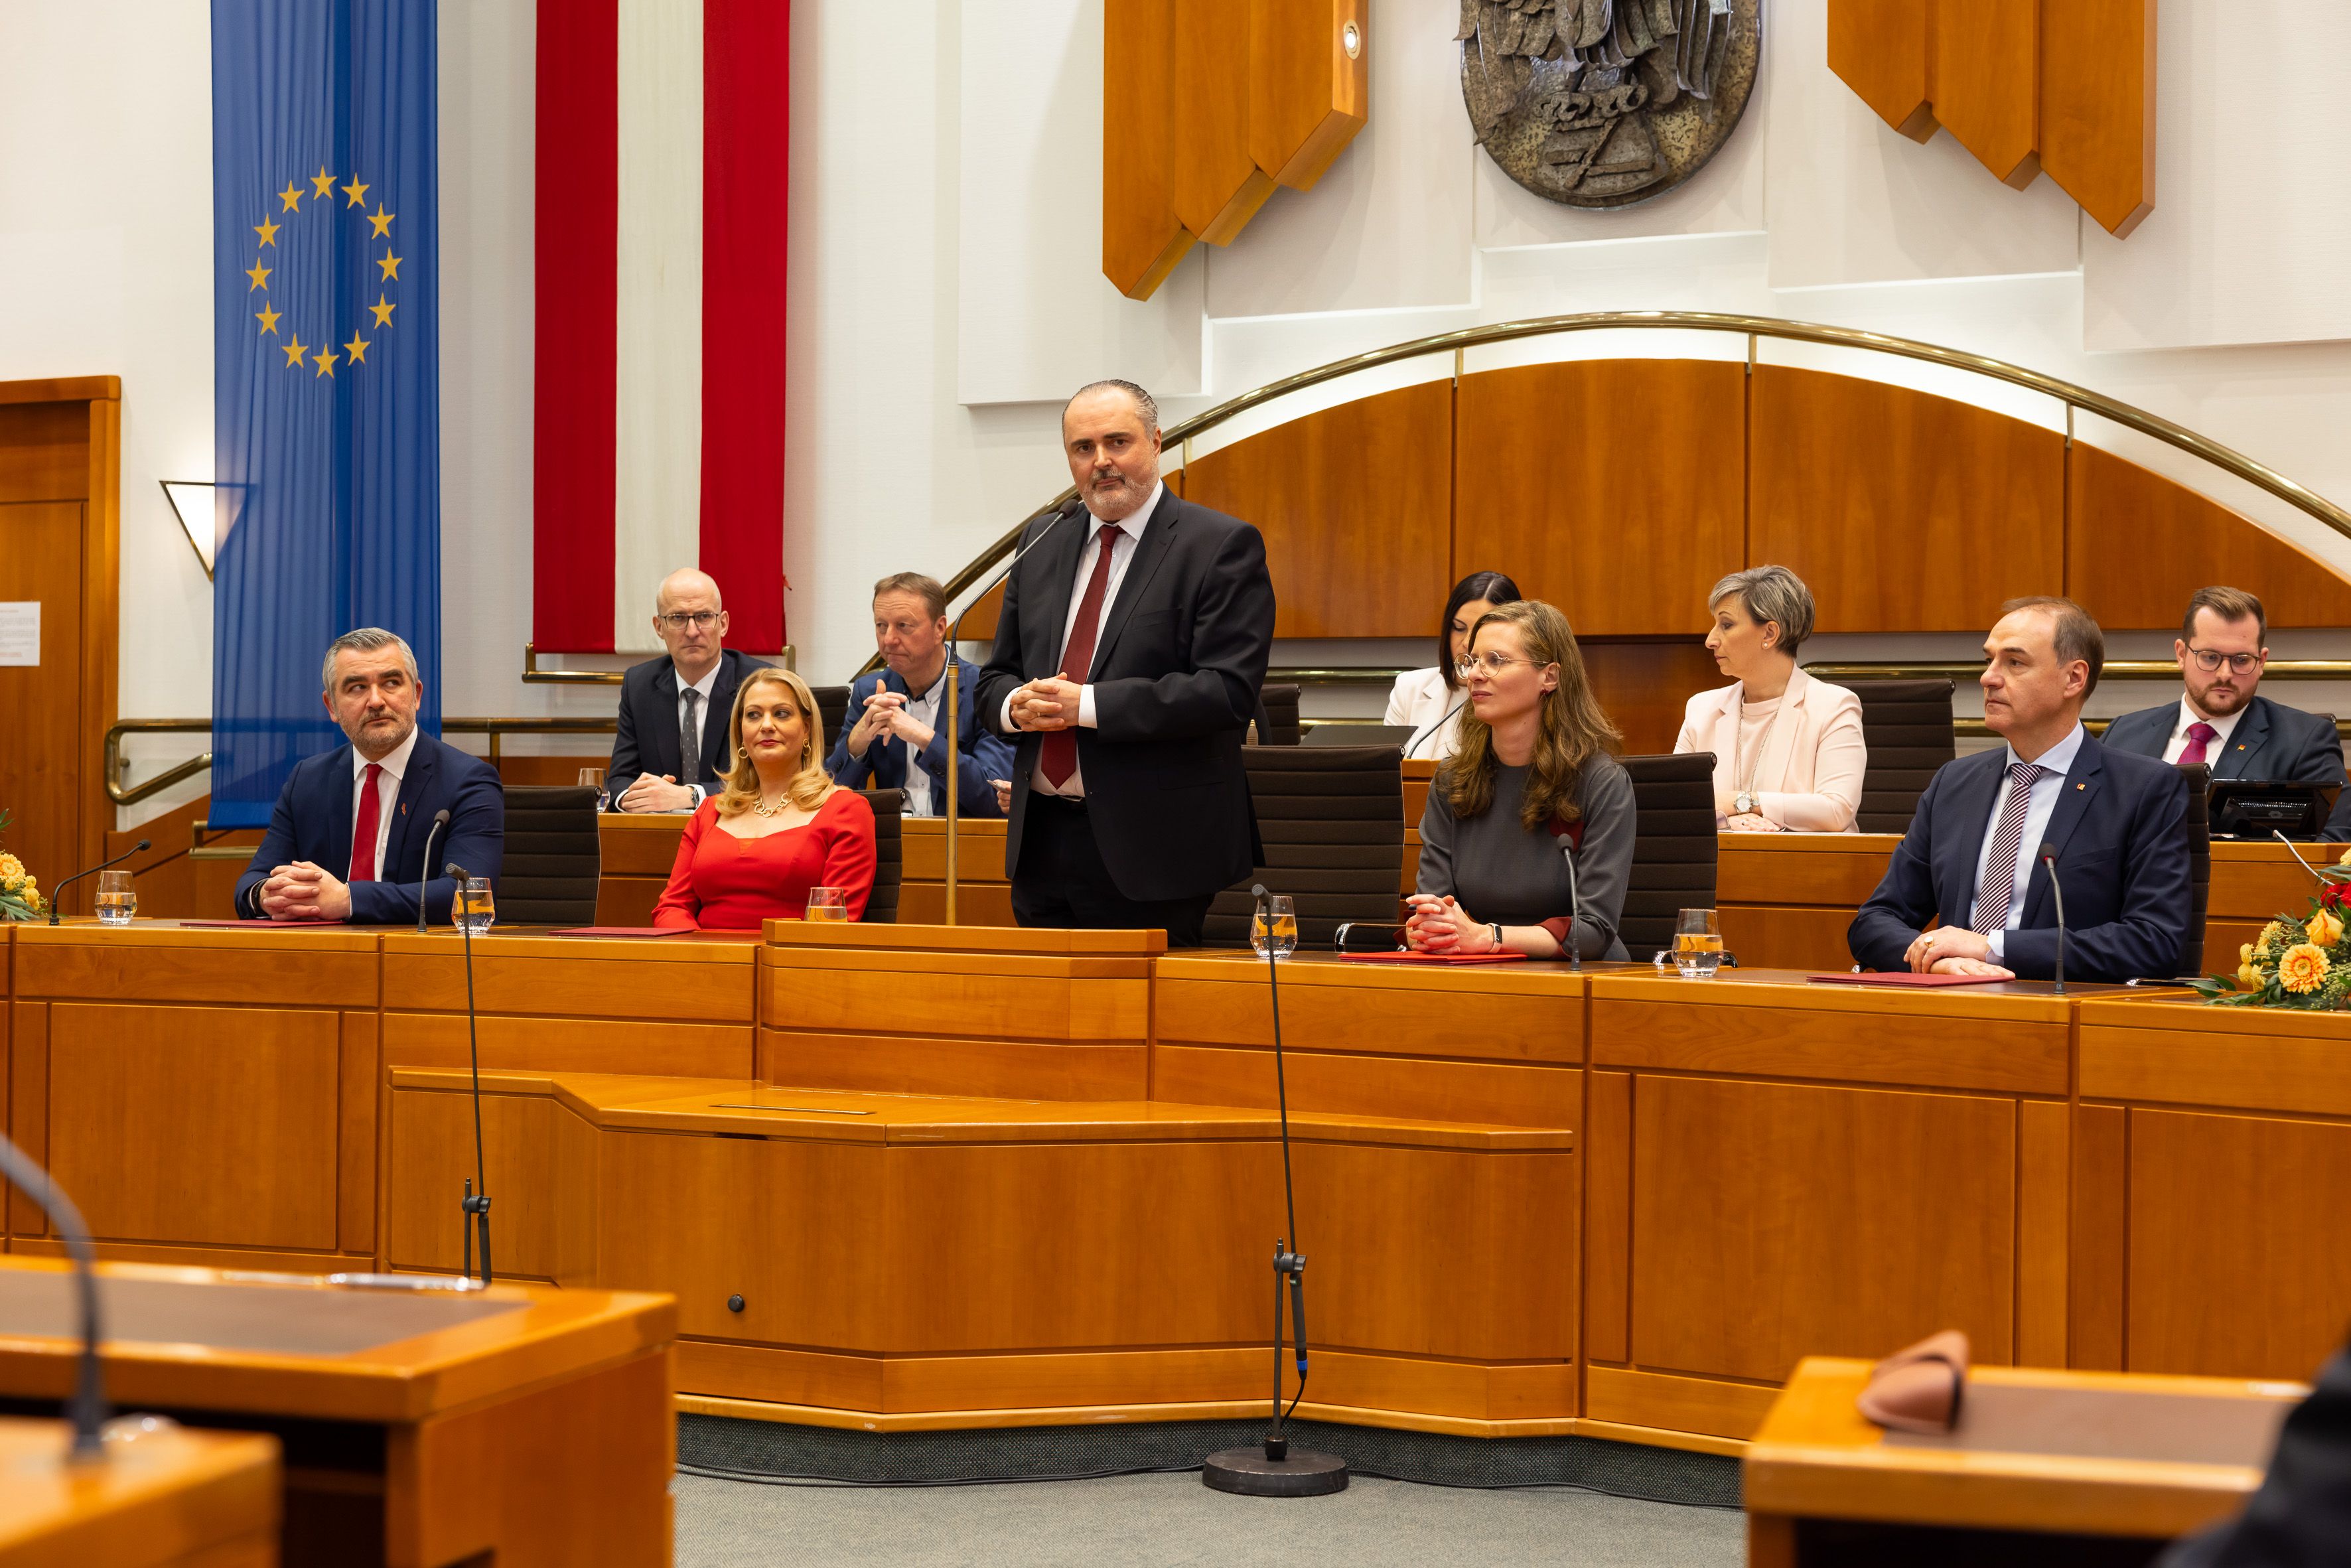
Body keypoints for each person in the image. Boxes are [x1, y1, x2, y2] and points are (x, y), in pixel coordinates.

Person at [973, 378, 1277, 948]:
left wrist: (1084, 705)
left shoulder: (1218, 544)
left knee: (1138, 1031)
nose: (1101, 462)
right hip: (1039, 840)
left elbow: (1226, 692)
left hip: (1153, 847)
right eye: (1082, 448)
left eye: (1117, 442)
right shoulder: (1043, 540)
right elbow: (995, 678)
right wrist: (1016, 706)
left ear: (1157, 441)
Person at [1848, 598, 2193, 981]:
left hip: (2065, 1016)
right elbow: (1875, 921)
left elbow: (2154, 942)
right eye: (1989, 660)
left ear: (2074, 678)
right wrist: (1936, 958)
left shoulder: (2144, 789)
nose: (1988, 678)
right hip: (1950, 1003)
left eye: (2014, 662)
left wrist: (1994, 949)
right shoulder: (1954, 783)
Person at [1408, 600, 1634, 960]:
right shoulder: (1453, 780)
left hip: (1580, 979)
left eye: (1496, 660)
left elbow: (1593, 930)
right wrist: (1429, 926)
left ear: (1550, 676)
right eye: (1472, 661)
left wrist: (1489, 937)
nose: (1475, 675)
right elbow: (1434, 905)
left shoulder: (1601, 783)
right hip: (1480, 971)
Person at [235, 628, 503, 924]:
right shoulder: (307, 780)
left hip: (420, 957)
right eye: (357, 688)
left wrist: (348, 900)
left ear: (416, 695)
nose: (376, 701)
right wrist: (268, 894)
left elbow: (468, 893)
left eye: (391, 683)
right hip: (322, 954)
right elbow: (252, 882)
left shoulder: (467, 780)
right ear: (331, 707)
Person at [2100, 585, 2351, 839]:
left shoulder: (2304, 742)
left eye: (2241, 660)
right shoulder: (2123, 736)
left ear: (2261, 662)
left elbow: (2335, 844)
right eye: (2210, 658)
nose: (2224, 674)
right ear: (2181, 654)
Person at [651, 667, 877, 929]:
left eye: (781, 714)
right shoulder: (710, 811)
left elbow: (829, 929)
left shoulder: (846, 811)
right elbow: (672, 907)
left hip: (789, 965)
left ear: (806, 729)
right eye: (754, 715)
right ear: (741, 733)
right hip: (704, 963)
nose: (767, 725)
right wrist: (701, 956)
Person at [1674, 565, 1867, 833]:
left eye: (1726, 625)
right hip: (1720, 864)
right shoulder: (1701, 709)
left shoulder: (1834, 707)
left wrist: (1744, 802)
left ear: (1769, 634)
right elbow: (1675, 806)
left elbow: (1836, 810)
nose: (1710, 640)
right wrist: (1726, 820)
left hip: (1807, 865)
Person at [826, 572, 1015, 817]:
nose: (889, 639)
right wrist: (856, 744)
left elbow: (992, 800)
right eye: (881, 626)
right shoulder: (870, 692)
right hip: (892, 843)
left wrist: (926, 739)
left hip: (962, 843)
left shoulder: (985, 691)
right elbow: (828, 799)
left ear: (939, 628)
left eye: (903, 626)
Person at [606, 567, 766, 813]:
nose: (692, 632)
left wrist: (692, 796)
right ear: (659, 627)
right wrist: (635, 797)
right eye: (678, 618)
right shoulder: (639, 686)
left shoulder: (760, 684)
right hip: (659, 836)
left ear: (722, 624)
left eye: (703, 617)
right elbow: (620, 780)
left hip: (738, 832)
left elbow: (770, 778)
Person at [1386, 570, 1522, 761]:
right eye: (1459, 628)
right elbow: (1388, 773)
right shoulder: (1409, 687)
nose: (1467, 642)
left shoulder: (1517, 695)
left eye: (1479, 630)